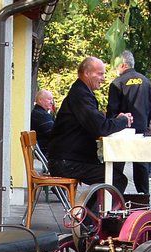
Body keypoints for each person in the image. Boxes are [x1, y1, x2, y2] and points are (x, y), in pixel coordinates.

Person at [48, 56, 133, 193]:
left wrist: (114, 120)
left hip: (69, 159)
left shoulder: (81, 92)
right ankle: (89, 214)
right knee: (116, 179)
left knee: (114, 171)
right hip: (67, 162)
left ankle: (91, 212)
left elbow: (98, 122)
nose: (104, 78)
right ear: (86, 73)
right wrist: (123, 120)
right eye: (100, 73)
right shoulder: (81, 95)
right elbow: (101, 127)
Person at [106, 50, 151, 194]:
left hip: (121, 132)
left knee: (117, 167)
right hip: (140, 131)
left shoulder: (117, 83)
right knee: (141, 166)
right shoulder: (145, 81)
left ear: (123, 65)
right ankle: (144, 198)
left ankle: (115, 197)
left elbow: (112, 110)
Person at [30, 89, 55, 157]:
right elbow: (55, 134)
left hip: (45, 153)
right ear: (40, 100)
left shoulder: (37, 113)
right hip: (49, 154)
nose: (51, 102)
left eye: (52, 100)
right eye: (49, 99)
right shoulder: (42, 115)